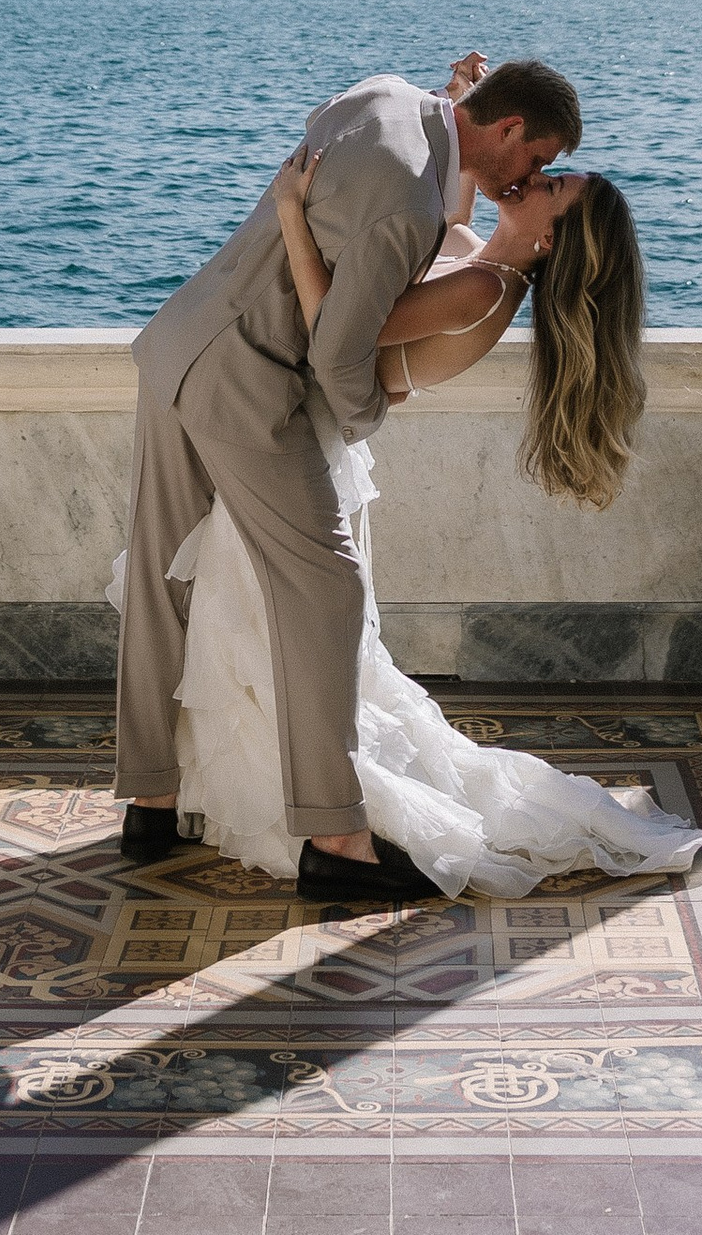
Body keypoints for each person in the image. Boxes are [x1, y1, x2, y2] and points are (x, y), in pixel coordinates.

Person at [149, 142, 702, 898]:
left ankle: (315, 818)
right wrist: (466, 131)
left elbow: (334, 333)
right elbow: (444, 224)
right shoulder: (483, 262)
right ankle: (249, 795)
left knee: (275, 623)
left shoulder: (483, 291)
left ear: (548, 237)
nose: (530, 180)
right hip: (297, 433)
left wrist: (290, 212)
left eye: (548, 185)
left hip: (303, 444)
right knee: (258, 623)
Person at [115, 54, 582, 906]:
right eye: (539, 157)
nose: (537, 175)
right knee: (326, 587)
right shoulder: (414, 209)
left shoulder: (383, 97)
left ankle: (151, 802)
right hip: (249, 382)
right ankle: (335, 837)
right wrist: (356, 419)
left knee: (160, 573)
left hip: (179, 338)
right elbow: (340, 355)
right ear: (508, 128)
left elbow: (387, 204)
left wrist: (448, 107)